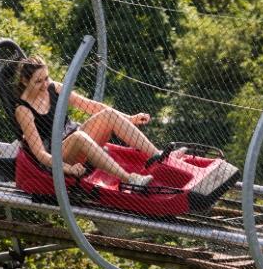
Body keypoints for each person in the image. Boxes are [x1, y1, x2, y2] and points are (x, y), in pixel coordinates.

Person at [12, 56, 169, 186]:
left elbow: (89, 106)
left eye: (46, 78)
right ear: (25, 82)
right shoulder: (23, 110)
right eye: (38, 81)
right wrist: (68, 169)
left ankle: (158, 156)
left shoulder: (53, 88)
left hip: (76, 137)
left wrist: (129, 118)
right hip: (58, 155)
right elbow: (39, 154)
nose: (45, 84)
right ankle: (131, 180)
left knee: (107, 114)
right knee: (79, 137)